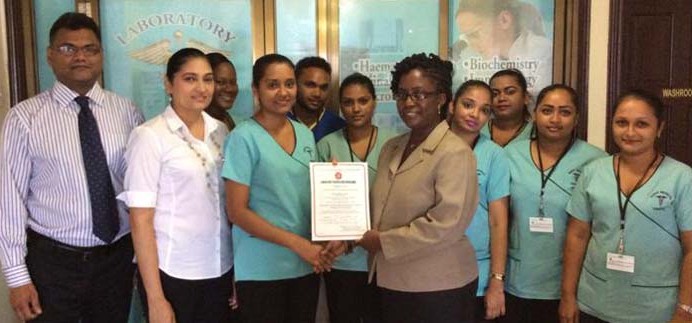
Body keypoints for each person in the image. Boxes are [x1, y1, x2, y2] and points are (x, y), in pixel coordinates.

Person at [0, 12, 143, 322]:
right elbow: (9, 200)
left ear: (101, 55)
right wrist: (16, 276)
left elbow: (140, 189)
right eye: (68, 48)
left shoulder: (127, 113)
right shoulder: (24, 118)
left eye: (89, 48)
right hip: (52, 264)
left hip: (116, 259)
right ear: (50, 55)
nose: (80, 56)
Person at [223, 53, 344, 323]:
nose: (283, 92)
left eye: (289, 84)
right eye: (273, 84)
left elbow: (308, 196)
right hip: (261, 269)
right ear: (256, 90)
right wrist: (298, 244)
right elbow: (237, 212)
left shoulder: (303, 134)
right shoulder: (243, 138)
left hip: (304, 266)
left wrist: (333, 183)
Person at [359, 53, 479, 323]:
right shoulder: (392, 147)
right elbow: (381, 208)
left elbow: (447, 224)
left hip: (436, 288)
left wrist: (382, 241)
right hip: (387, 279)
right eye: (401, 94)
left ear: (441, 98)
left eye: (419, 94)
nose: (408, 103)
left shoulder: (455, 152)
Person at [118, 48, 233, 323]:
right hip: (174, 273)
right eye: (190, 79)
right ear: (169, 83)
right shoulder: (150, 136)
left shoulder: (221, 131)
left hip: (220, 267)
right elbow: (140, 220)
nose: (202, 88)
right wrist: (156, 297)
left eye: (208, 79)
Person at [560, 90, 692, 323]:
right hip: (594, 303)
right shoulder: (593, 172)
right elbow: (577, 235)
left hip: (657, 310)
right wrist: (568, 295)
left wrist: (685, 309)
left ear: (659, 128)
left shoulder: (681, 178)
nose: (630, 132)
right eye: (622, 123)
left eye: (641, 124)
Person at [502, 85, 605, 323]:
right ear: (535, 113)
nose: (555, 119)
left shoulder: (596, 161)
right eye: (547, 110)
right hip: (518, 280)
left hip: (572, 285)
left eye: (565, 112)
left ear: (577, 117)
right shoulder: (510, 155)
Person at [316, 72, 394, 323]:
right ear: (340, 106)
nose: (356, 108)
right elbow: (318, 203)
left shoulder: (393, 143)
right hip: (342, 260)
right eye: (348, 102)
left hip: (382, 258)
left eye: (363, 101)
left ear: (374, 102)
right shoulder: (327, 145)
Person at [447, 80, 510, 322]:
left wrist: (496, 281)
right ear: (452, 106)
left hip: (479, 271)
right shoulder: (429, 146)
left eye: (484, 110)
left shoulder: (494, 155)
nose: (475, 114)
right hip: (434, 267)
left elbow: (498, 221)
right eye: (468, 105)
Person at [453, 0, 552, 94]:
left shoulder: (543, 52)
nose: (470, 44)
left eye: (474, 34)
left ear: (504, 20)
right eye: (466, 37)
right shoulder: (470, 59)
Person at [289, 56, 346, 141]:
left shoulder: (338, 127)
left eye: (323, 87)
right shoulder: (280, 121)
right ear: (295, 84)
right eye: (310, 85)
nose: (317, 94)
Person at [483, 69, 534, 147]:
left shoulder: (537, 134)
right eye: (495, 94)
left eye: (510, 92)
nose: (501, 98)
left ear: (526, 97)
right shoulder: (477, 130)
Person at [205, 52, 238, 131]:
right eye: (220, 82)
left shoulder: (226, 119)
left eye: (233, 82)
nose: (229, 89)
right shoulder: (195, 124)